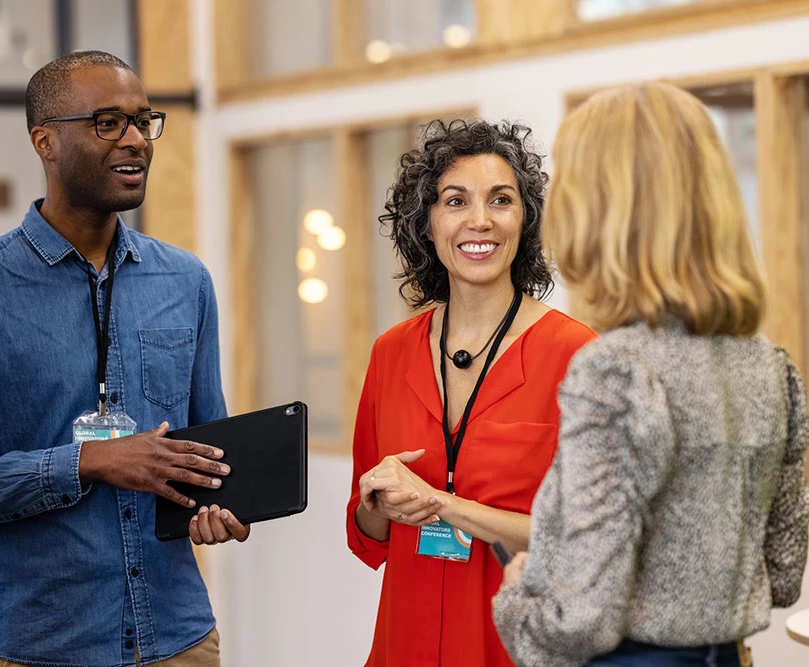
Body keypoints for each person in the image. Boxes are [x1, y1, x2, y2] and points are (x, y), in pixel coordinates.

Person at [0, 50, 245, 667]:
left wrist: (221, 505)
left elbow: (208, 448)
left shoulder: (186, 281)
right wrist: (87, 462)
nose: (134, 141)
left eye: (142, 121)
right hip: (44, 648)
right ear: (45, 140)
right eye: (106, 122)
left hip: (181, 640)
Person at [492, 81, 809, 667]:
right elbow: (783, 574)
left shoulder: (615, 373)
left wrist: (516, 599)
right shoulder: (772, 367)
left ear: (597, 208)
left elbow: (582, 618)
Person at [346, 118, 596, 667]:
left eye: (501, 200)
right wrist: (376, 502)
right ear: (427, 224)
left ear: (525, 221)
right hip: (402, 646)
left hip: (516, 648)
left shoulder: (578, 357)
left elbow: (586, 543)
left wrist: (443, 504)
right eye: (455, 201)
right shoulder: (390, 352)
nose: (478, 221)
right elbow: (368, 535)